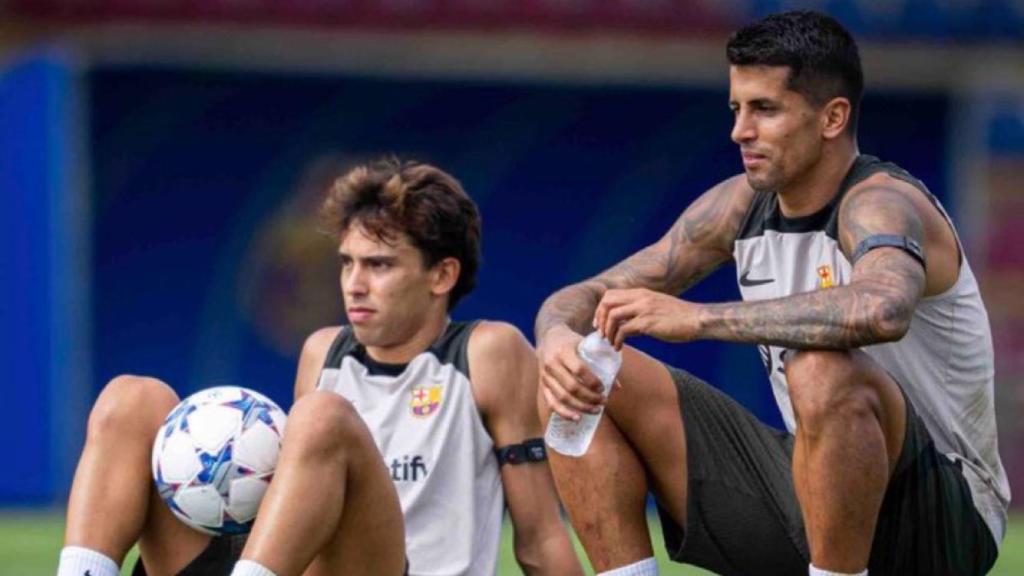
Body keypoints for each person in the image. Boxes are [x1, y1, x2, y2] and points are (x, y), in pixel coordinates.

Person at [535, 10, 1009, 576]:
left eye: (764, 109)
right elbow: (580, 295)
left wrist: (698, 319)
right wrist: (555, 339)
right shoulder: (739, 206)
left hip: (940, 522)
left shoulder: (881, 203)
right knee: (582, 377)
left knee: (821, 370)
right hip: (817, 498)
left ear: (832, 117)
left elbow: (882, 309)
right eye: (737, 109)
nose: (740, 130)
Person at [58, 158, 582, 576]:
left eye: (379, 265)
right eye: (347, 262)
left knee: (321, 418)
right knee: (131, 399)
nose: (354, 283)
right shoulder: (323, 352)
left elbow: (539, 538)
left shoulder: (489, 352)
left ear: (442, 274)